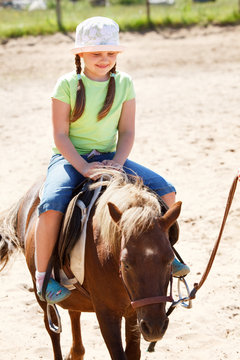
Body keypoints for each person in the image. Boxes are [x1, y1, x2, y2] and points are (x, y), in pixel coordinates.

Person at [35, 16, 190, 304]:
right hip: (70, 158)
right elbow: (60, 135)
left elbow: (127, 132)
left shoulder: (124, 84)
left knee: (166, 190)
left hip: (111, 157)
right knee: (51, 203)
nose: (104, 59)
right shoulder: (67, 85)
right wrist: (82, 167)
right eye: (96, 53)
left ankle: (167, 254)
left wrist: (118, 163)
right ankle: (43, 277)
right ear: (80, 54)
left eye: (110, 53)